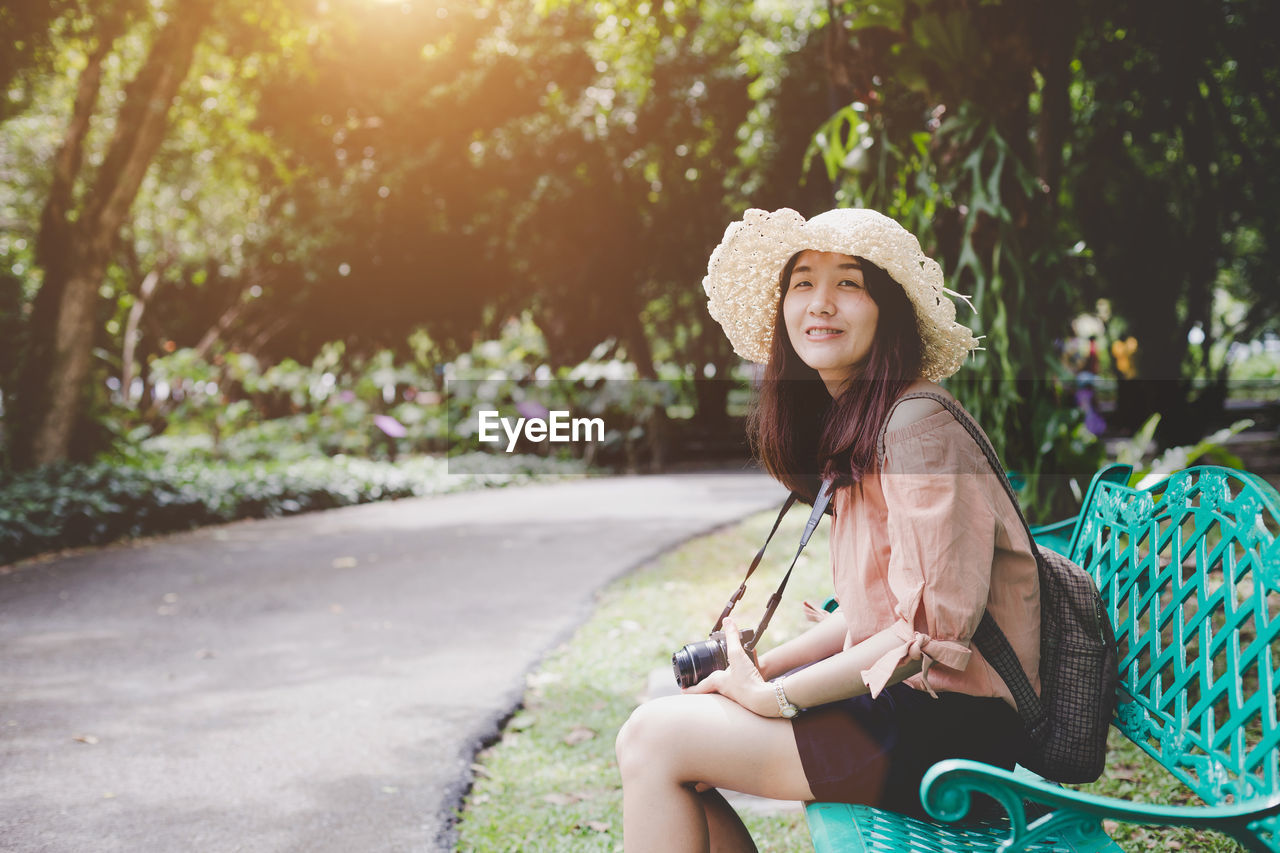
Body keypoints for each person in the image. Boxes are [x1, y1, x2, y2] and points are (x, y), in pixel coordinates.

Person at [615, 208, 1041, 853]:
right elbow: (882, 608)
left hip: (953, 735)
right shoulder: (870, 420)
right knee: (670, 733)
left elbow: (927, 630)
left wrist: (776, 697)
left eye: (849, 283)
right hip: (912, 707)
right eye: (802, 283)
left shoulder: (914, 427)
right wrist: (753, 673)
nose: (820, 304)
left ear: (887, 311)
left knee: (653, 739)